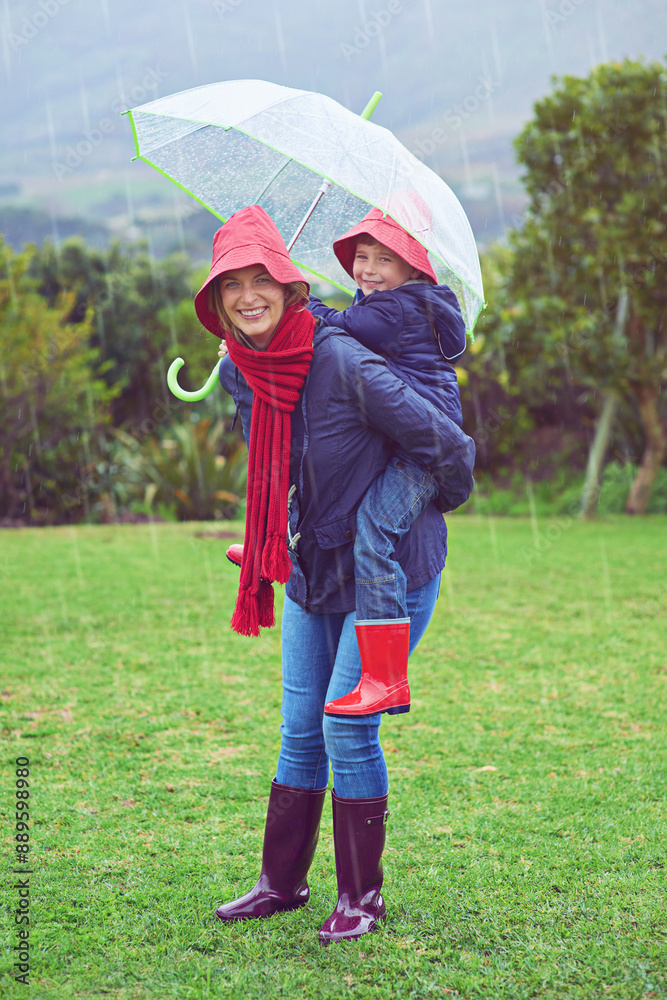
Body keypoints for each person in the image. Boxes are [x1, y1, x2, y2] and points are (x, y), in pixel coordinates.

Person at [193, 204, 475, 944]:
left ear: (290, 289)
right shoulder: (253, 371)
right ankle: (279, 884)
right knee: (298, 730)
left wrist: (399, 515)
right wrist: (244, 386)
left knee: (347, 727)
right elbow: (285, 473)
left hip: (389, 572)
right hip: (314, 568)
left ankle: (362, 899)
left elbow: (450, 448)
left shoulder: (342, 358)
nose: (247, 296)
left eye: (262, 281)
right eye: (232, 285)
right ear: (216, 302)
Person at [308, 207, 467, 718]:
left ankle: (385, 674)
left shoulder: (393, 311)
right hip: (402, 433)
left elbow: (335, 325)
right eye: (361, 257)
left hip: (423, 445)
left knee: (375, 526)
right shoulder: (392, 303)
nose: (368, 269)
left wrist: (296, 301)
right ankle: (278, 547)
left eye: (385, 259)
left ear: (414, 271)